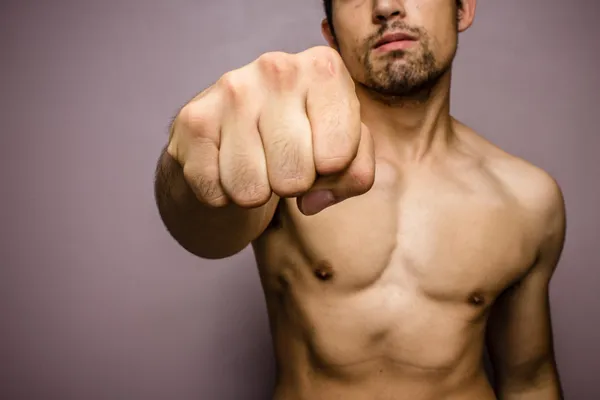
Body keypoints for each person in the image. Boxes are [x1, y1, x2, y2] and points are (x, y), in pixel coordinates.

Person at [154, 0, 566, 398]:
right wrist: (197, 157)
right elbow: (202, 230)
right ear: (330, 33)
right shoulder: (292, 159)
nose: (385, 6)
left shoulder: (527, 198)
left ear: (463, 8)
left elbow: (529, 381)